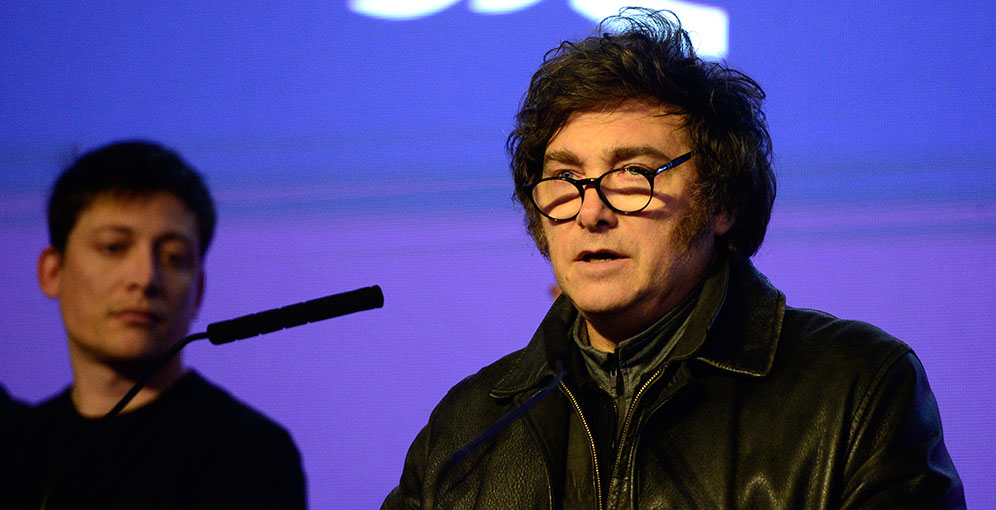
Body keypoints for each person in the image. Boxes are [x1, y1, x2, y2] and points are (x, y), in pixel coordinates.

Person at [383, 9, 963, 509]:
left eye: (632, 174)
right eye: (566, 178)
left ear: (722, 203)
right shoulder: (467, 430)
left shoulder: (855, 390)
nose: (591, 211)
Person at [6, 141, 307, 509]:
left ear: (198, 291)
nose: (145, 278)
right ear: (52, 272)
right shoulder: (15, 448)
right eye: (113, 247)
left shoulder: (248, 453)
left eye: (174, 257)